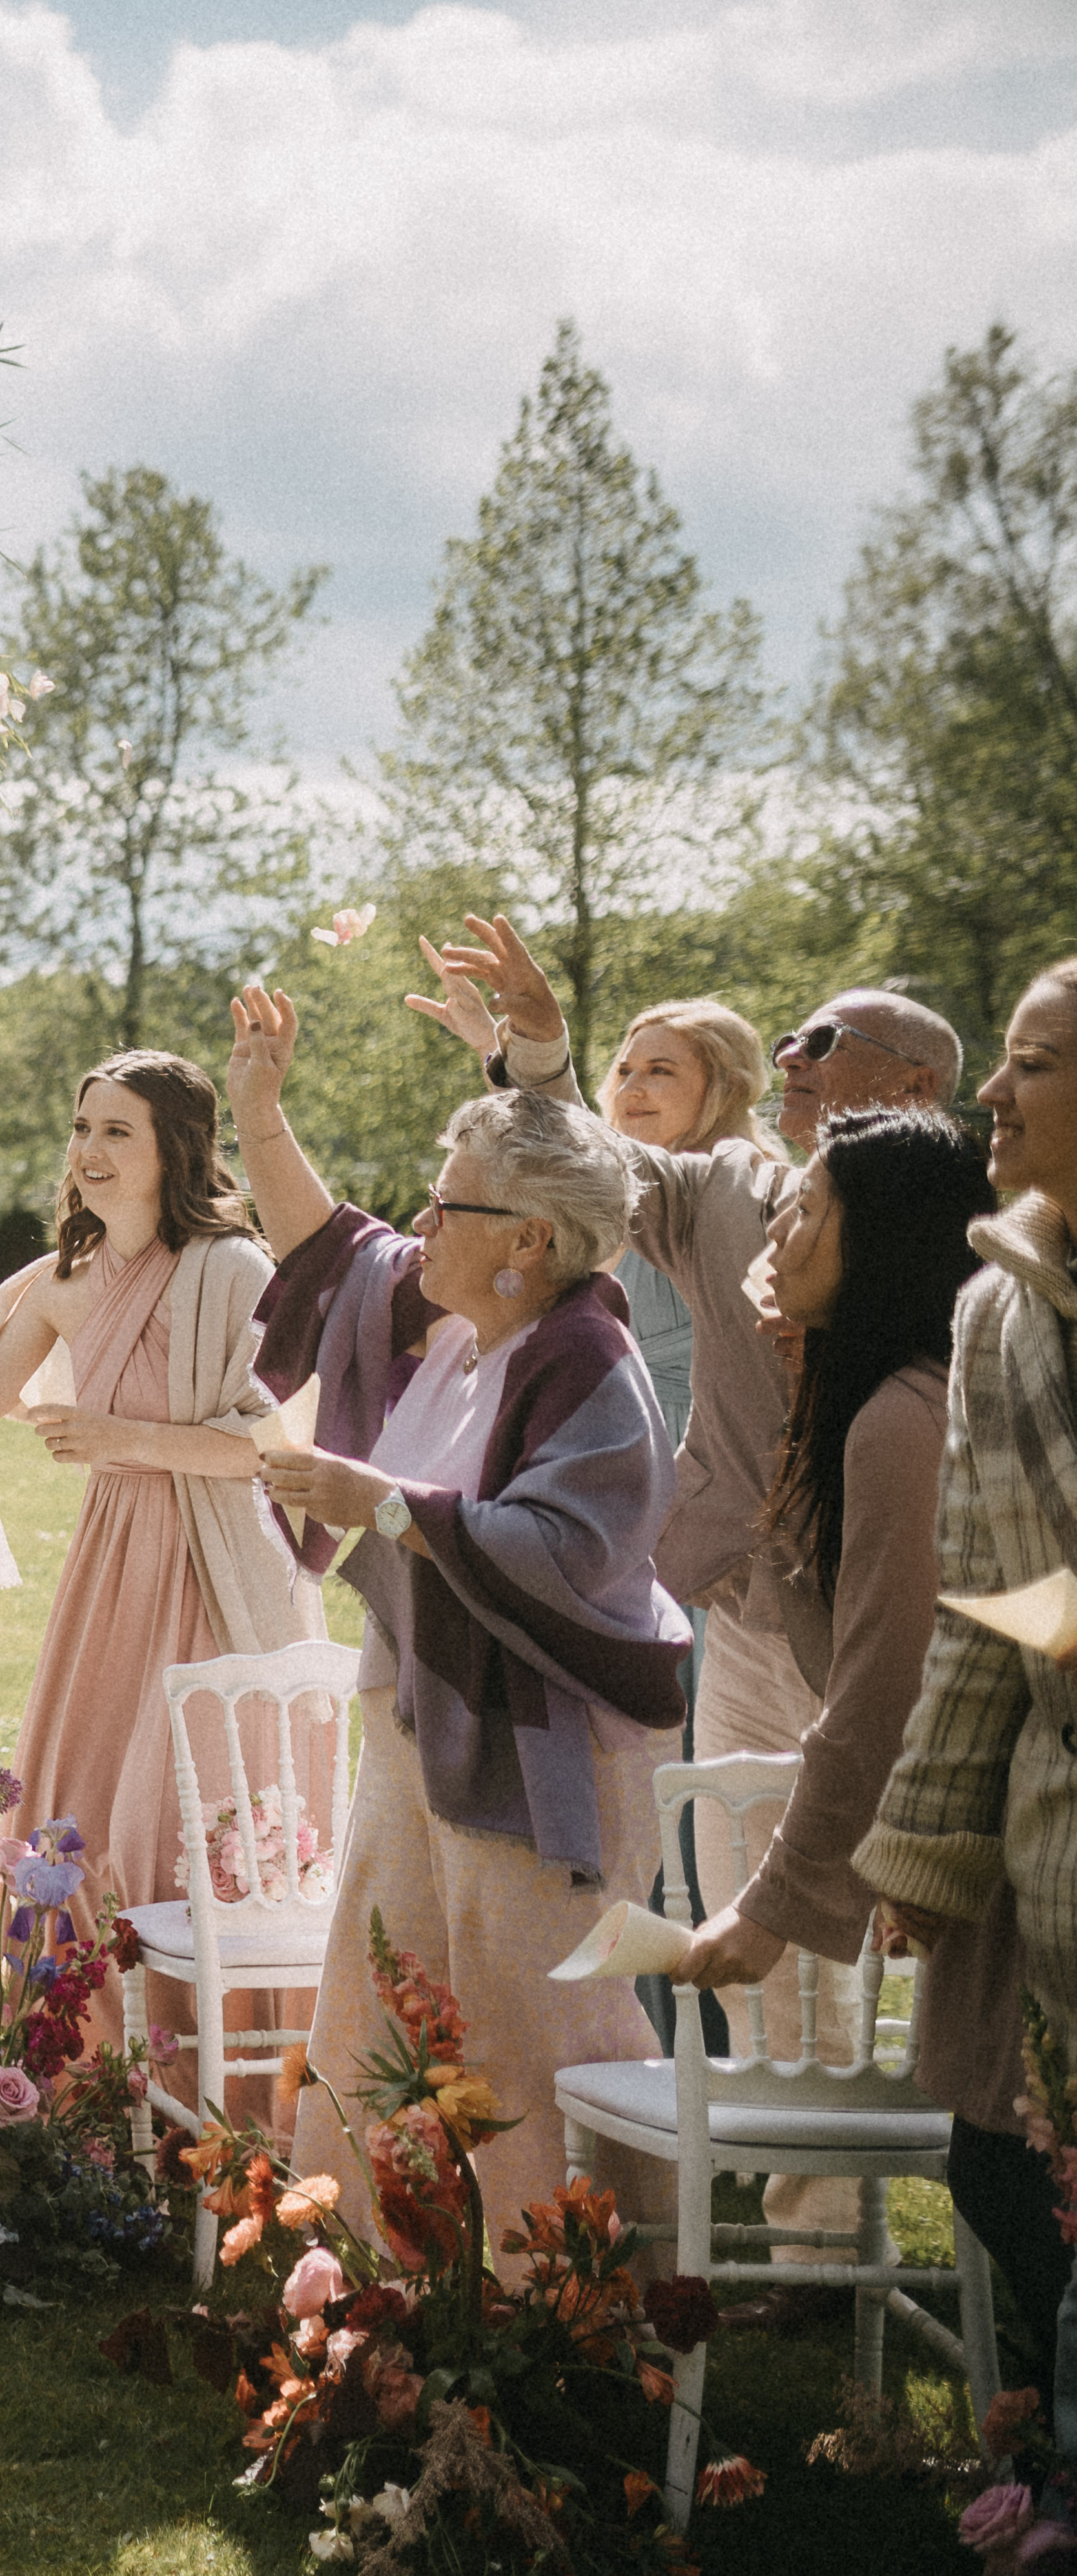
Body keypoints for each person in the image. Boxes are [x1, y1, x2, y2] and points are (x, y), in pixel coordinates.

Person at [419, 918, 953, 2247]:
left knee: (887, 1902)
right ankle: (797, 2206)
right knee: (731, 1877)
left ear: (913, 1093)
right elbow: (589, 1167)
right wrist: (535, 1050)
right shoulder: (720, 1192)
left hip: (886, 1620)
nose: (786, 1053)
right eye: (786, 1037)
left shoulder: (962, 1250)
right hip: (732, 1598)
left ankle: (914, 2203)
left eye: (822, 1043)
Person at [231, 983, 690, 2238]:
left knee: (524, 2027)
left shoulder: (587, 1367)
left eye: (447, 1204)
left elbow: (559, 1555)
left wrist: (376, 1503)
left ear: (527, 1241)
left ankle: (564, 2303)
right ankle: (372, 2278)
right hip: (409, 1728)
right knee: (373, 1996)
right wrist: (257, 1112)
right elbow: (326, 1249)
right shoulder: (450, 1322)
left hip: (537, 1759)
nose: (417, 1225)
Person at [0, 1049, 323, 2085]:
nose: (88, 1151)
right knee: (83, 1812)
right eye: (81, 1125)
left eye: (117, 1132)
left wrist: (118, 1432)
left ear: (172, 1151)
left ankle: (213, 2088)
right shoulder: (64, 1278)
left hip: (219, 1565)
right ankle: (80, 2083)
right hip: (112, 1570)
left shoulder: (235, 1271)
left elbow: (275, 1451)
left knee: (181, 1815)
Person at [666, 1110, 1046, 2368]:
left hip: (1013, 1842)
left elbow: (879, 1689)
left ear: (875, 1241)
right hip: (981, 1833)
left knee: (1009, 2171)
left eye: (806, 1210)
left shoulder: (896, 1414)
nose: (776, 1228)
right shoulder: (868, 1394)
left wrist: (767, 1908)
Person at [858, 958, 1077, 2437]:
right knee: (1003, 2171)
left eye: (1032, 1064)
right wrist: (928, 1854)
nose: (992, 1093)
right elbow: (983, 1615)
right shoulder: (998, 1309)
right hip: (1057, 1849)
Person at [588, 1000, 777, 1444]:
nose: (631, 1089)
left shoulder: (754, 1193)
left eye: (659, 1071)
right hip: (600, 1437)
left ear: (724, 1087)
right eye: (623, 1071)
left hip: (697, 1448)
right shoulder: (609, 1190)